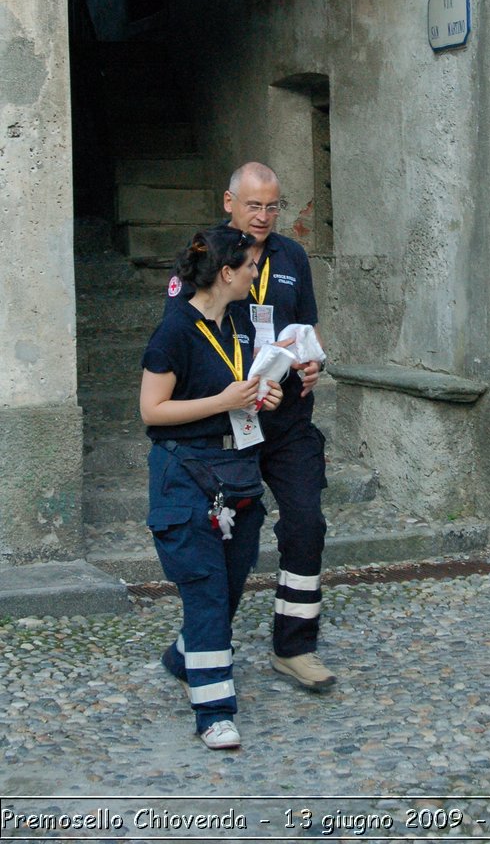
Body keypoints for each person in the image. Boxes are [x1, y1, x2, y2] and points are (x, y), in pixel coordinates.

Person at [165, 162, 335, 692]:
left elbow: (307, 331)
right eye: (253, 205)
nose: (263, 216)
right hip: (229, 427)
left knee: (307, 523)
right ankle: (199, 644)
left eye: (272, 206)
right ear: (229, 202)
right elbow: (183, 333)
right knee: (231, 546)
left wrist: (312, 364)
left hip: (288, 423)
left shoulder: (292, 257)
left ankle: (295, 647)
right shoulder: (207, 256)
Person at [141, 226, 283, 750]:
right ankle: (214, 711)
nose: (255, 273)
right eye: (249, 266)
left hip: (238, 471)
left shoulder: (242, 323)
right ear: (226, 273)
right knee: (204, 593)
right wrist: (224, 400)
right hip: (185, 477)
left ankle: (185, 656)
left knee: (227, 587)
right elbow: (152, 411)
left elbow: (240, 387)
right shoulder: (174, 331)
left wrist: (259, 394)